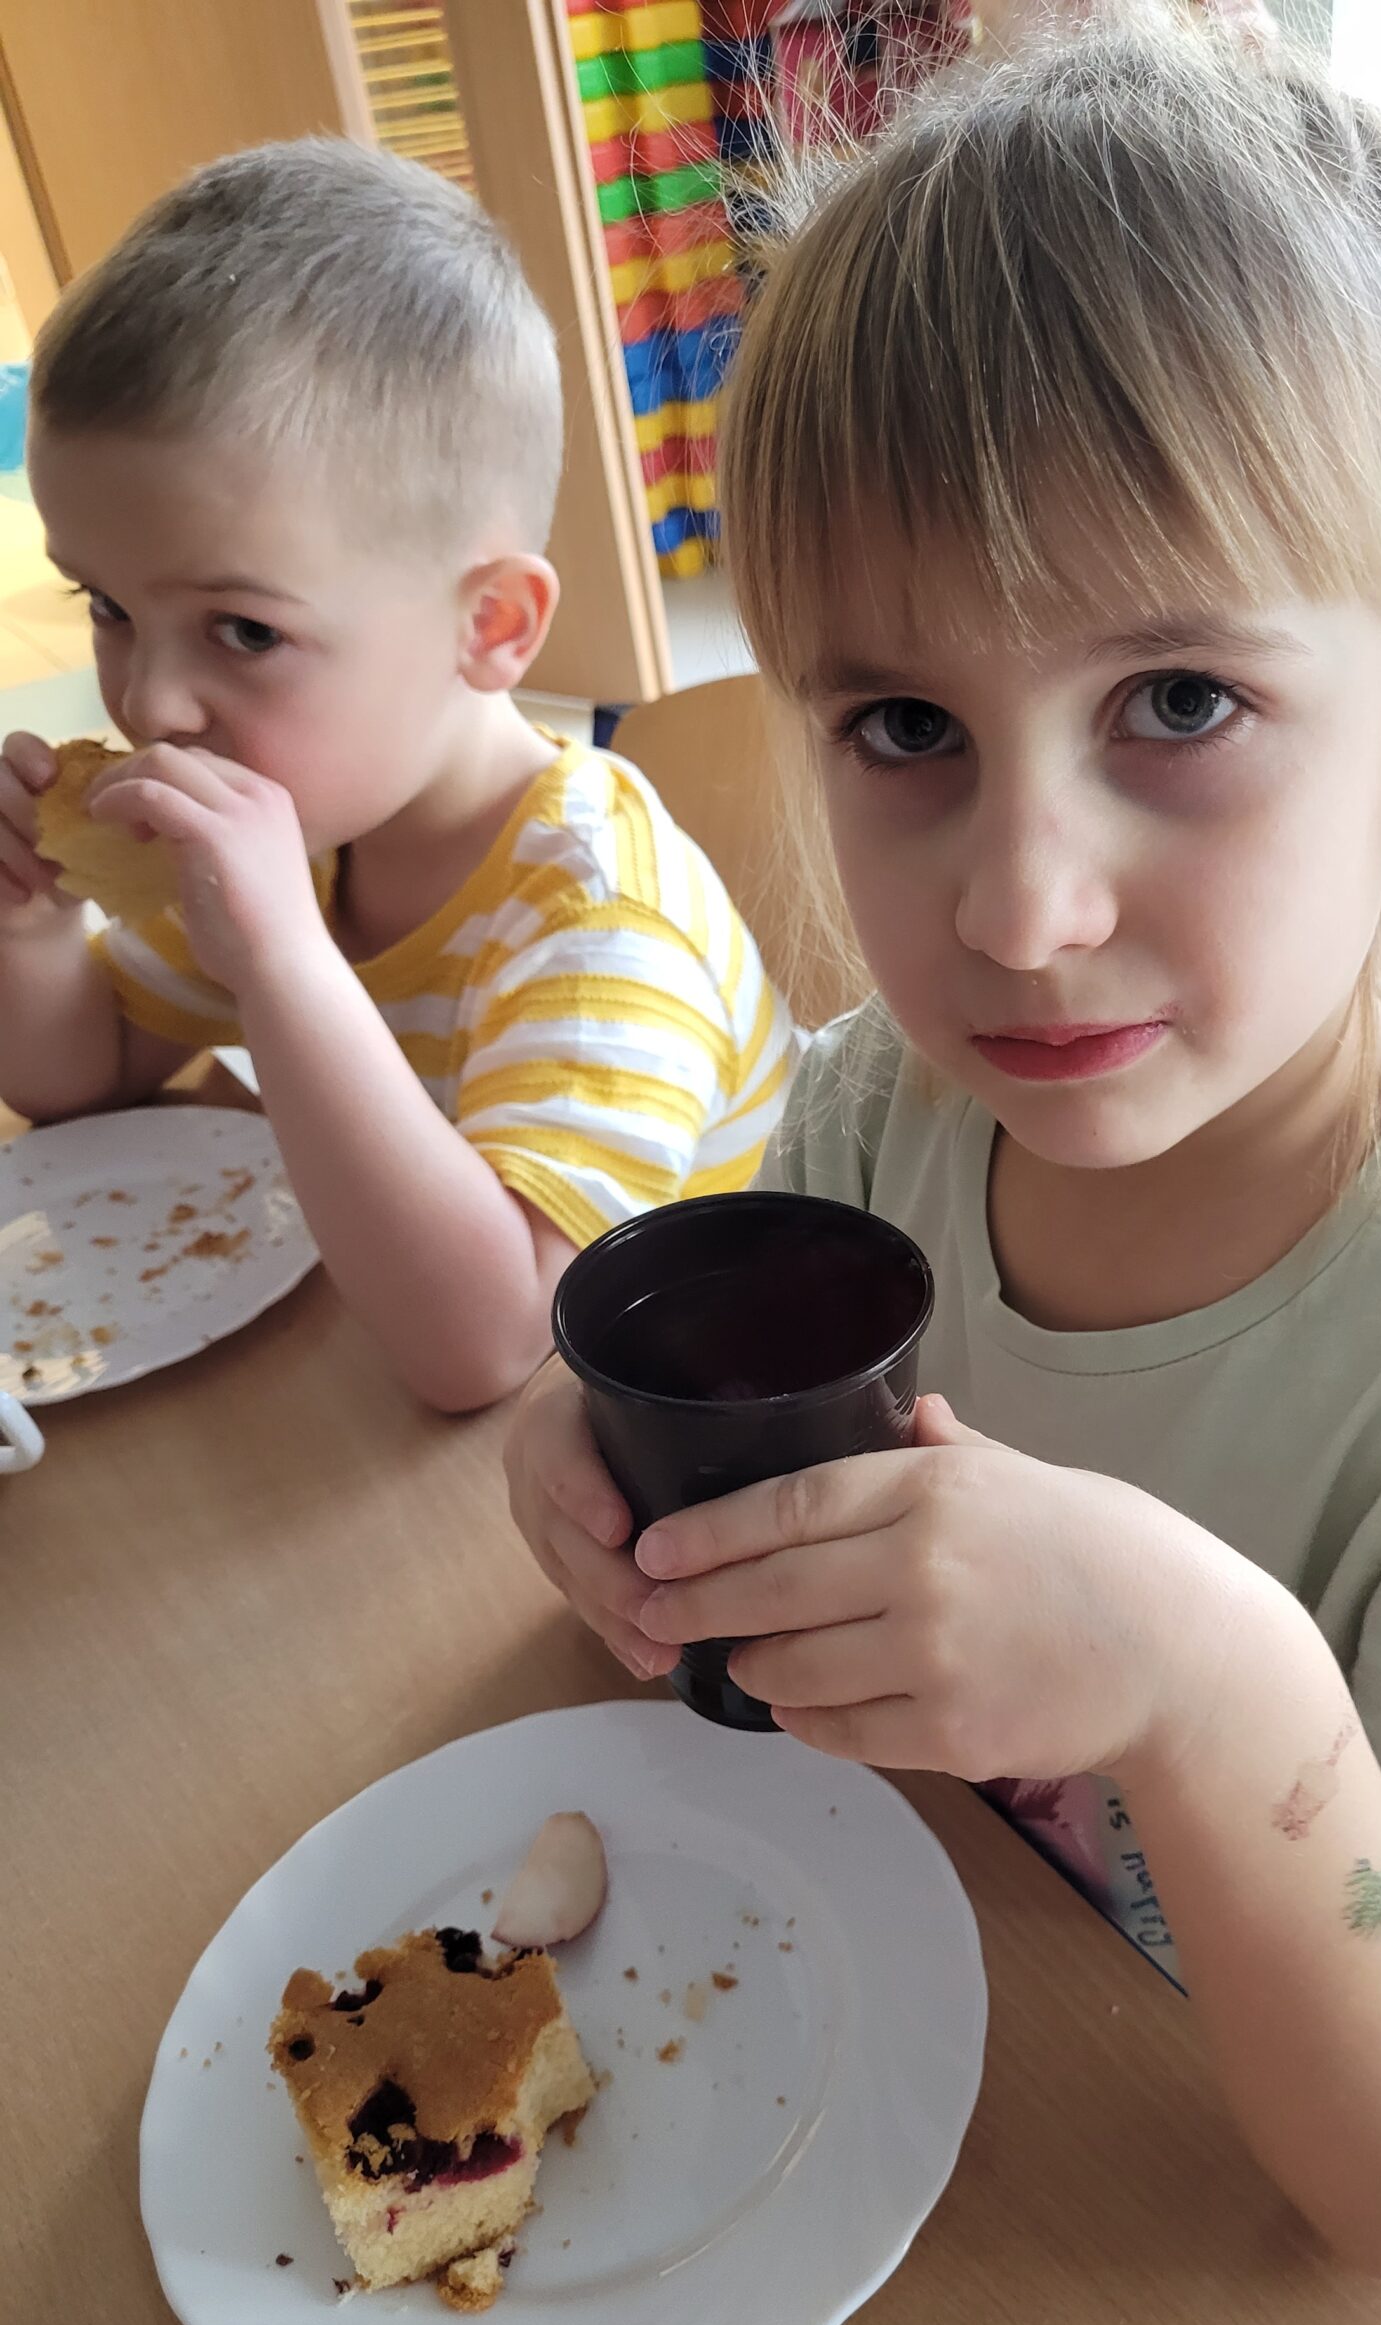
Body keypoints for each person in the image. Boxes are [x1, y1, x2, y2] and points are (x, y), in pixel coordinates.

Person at [502, 21, 1381, 2325]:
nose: (1020, 905)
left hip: (1251, 2292)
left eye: (1176, 704)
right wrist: (607, 1473)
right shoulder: (874, 1117)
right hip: (910, 2076)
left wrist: (1209, 1687)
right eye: (905, 726)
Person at [0, 142, 794, 1411]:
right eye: (107, 607)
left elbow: (490, 1344)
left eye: (243, 630)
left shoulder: (599, 927)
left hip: (702, 1415)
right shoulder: (310, 825)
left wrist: (281, 964)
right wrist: (33, 929)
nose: (147, 702)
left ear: (489, 626)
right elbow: (88, 1077)